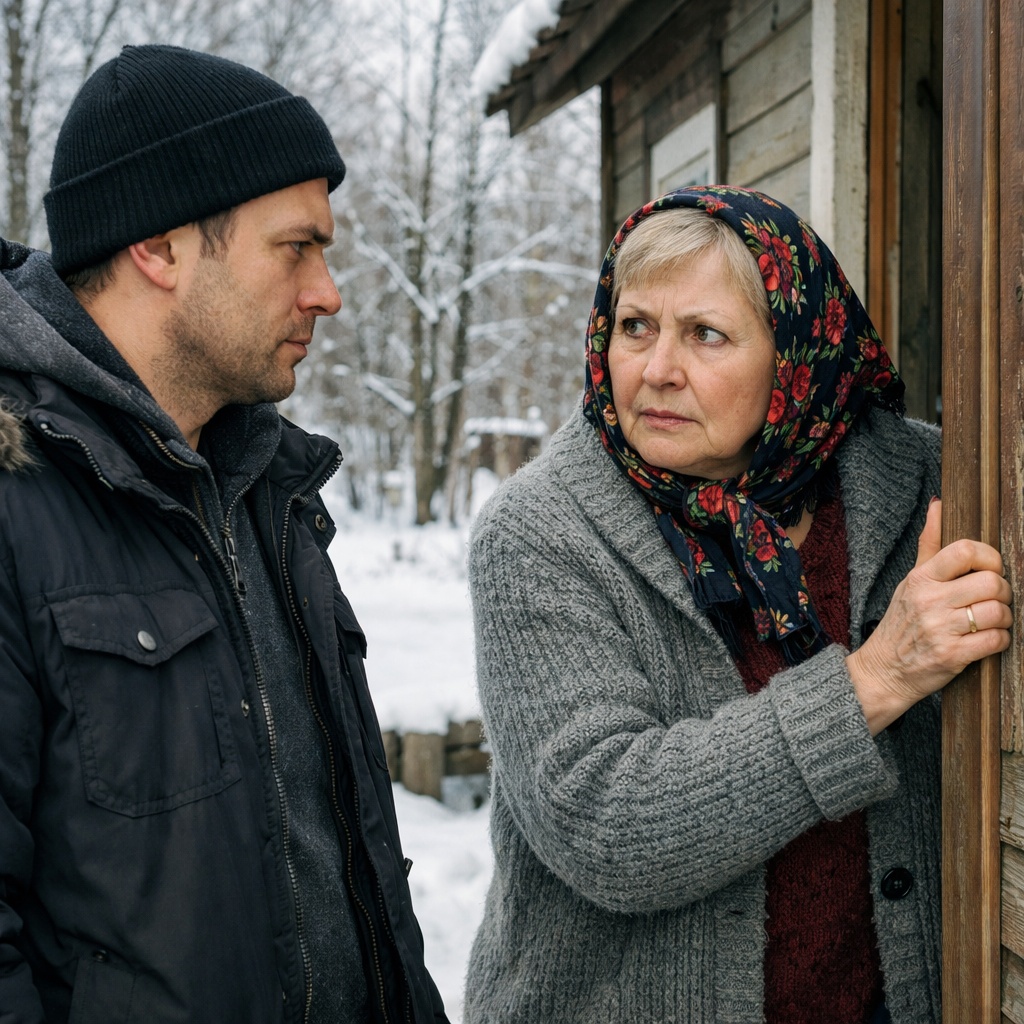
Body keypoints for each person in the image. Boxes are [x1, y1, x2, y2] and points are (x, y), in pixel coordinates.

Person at [464, 187, 1013, 1024]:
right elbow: (606, 824)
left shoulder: (932, 484)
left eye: (705, 334)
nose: (656, 369)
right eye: (635, 326)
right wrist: (876, 679)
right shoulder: (541, 530)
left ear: (794, 355)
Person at [0, 45, 447, 1023]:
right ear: (159, 248)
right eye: (295, 248)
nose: (327, 291)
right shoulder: (15, 503)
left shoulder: (271, 492)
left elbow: (349, 873)